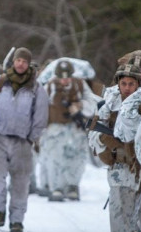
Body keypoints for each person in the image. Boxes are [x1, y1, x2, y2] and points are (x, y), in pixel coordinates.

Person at [0, 47, 49, 232]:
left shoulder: (36, 88)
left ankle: (17, 220)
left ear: (28, 65)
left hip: (22, 142)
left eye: (24, 62)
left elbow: (41, 116)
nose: (21, 64)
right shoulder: (0, 81)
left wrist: (31, 138)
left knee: (20, 183)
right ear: (14, 62)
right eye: (18, 60)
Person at [88, 63, 141, 232]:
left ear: (138, 85)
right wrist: (106, 146)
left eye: (131, 83)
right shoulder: (108, 105)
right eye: (124, 83)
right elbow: (95, 132)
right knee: (119, 203)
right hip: (119, 163)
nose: (127, 87)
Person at [41, 59, 98, 201]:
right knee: (55, 157)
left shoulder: (80, 84)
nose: (65, 80)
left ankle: (73, 186)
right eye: (62, 77)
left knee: (77, 157)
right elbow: (39, 107)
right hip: (55, 128)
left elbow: (92, 103)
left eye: (67, 77)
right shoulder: (49, 86)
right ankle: (56, 188)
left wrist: (80, 106)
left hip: (75, 128)